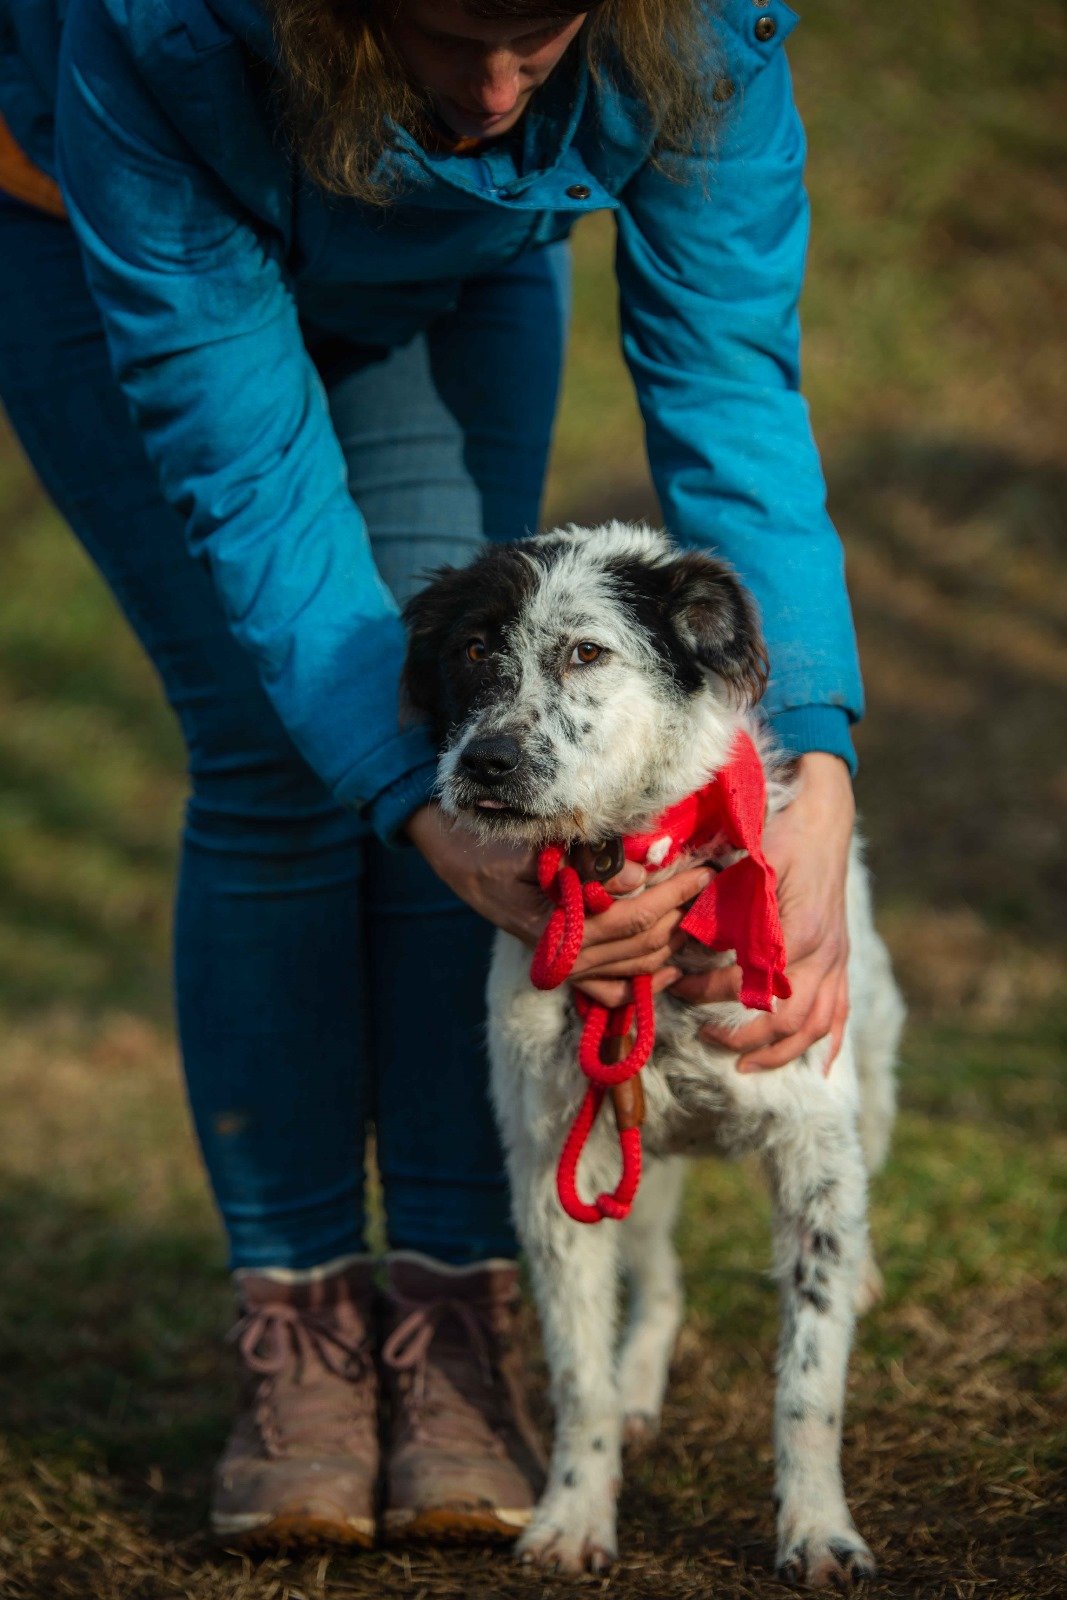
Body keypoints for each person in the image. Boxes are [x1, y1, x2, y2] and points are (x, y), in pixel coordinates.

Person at [0, 0, 863, 1552]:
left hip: (447, 266)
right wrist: (406, 798)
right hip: (106, 229)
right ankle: (302, 1331)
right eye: (451, 35)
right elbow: (247, 475)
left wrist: (815, 769)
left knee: (474, 795)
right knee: (290, 755)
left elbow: (732, 377)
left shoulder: (698, 29)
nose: (495, 89)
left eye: (541, 36)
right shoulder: (165, 33)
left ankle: (454, 1315)